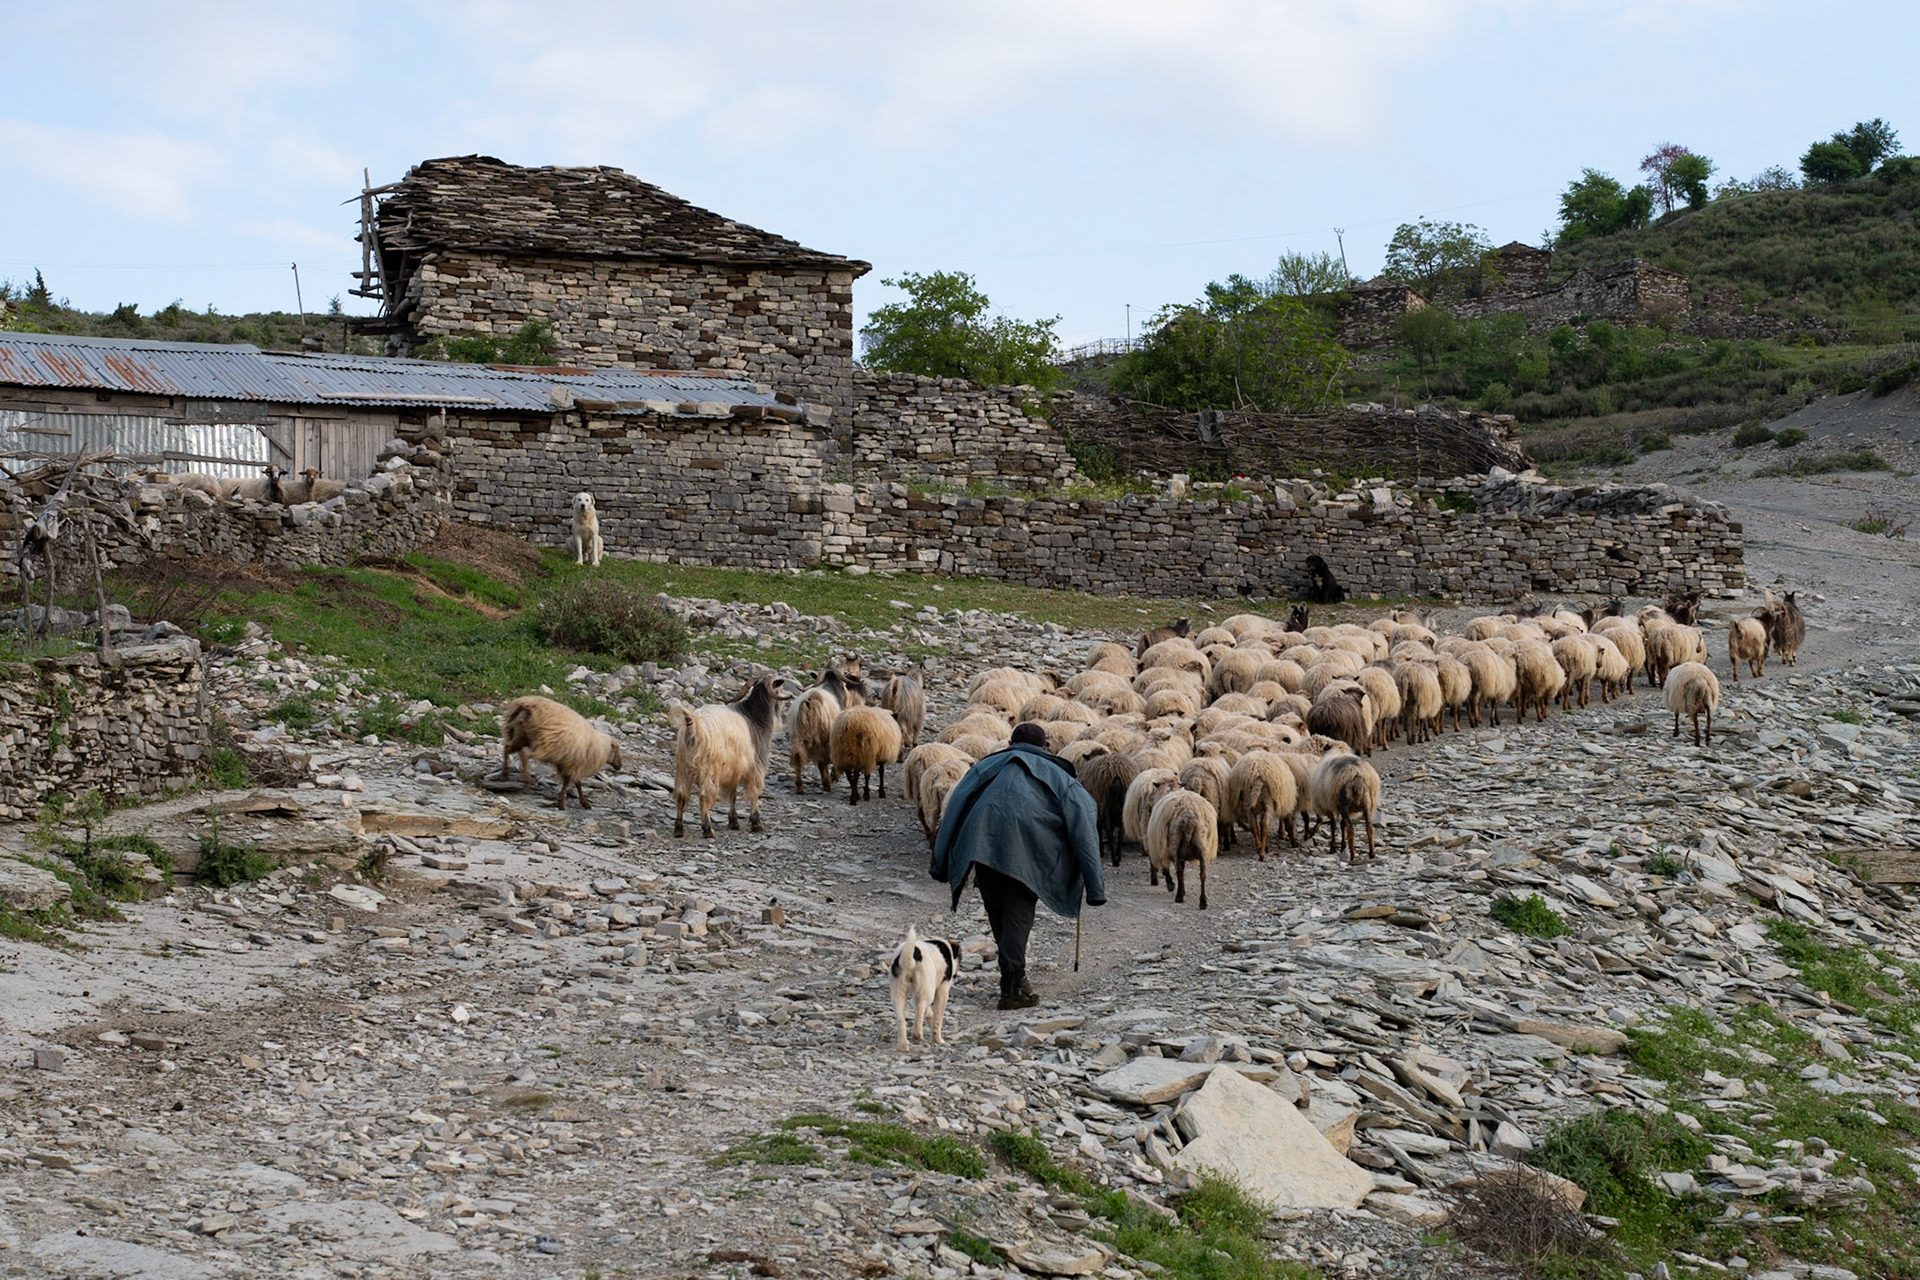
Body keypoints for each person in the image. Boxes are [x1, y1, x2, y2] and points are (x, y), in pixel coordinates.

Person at [930, 722, 1106, 1010]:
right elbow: (1084, 825)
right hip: (1031, 855)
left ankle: (1015, 977)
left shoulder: (984, 768)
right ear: (1045, 748)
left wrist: (940, 862)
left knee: (999, 914)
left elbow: (955, 806)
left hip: (983, 849)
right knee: (1017, 918)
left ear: (1010, 744)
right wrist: (1094, 886)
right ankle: (1011, 988)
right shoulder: (1062, 779)